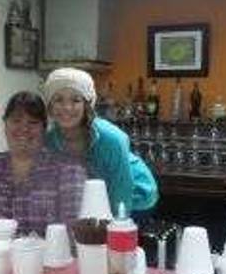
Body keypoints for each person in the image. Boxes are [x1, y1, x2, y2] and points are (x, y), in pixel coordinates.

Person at [0, 91, 86, 236]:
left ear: (44, 128)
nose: (24, 129)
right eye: (16, 120)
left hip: (47, 258)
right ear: (5, 125)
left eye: (33, 123)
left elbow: (73, 235)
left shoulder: (69, 172)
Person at [43, 67, 158, 214]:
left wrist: (113, 229)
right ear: (50, 105)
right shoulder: (48, 141)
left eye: (76, 100)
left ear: (87, 105)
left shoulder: (111, 139)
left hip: (135, 198)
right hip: (93, 202)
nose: (67, 107)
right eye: (58, 100)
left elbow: (121, 194)